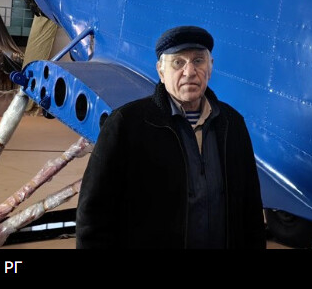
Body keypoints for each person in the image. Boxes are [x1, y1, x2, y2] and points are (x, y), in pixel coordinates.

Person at [76, 25, 266, 248]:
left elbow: (251, 208)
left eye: (198, 61)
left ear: (210, 66)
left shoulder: (232, 123)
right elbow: (93, 214)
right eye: (178, 62)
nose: (189, 72)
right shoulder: (126, 124)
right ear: (161, 71)